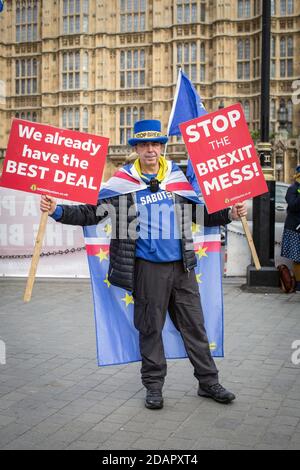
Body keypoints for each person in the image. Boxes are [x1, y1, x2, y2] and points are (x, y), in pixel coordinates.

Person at [40, 119, 247, 409]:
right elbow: (91, 213)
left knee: (195, 327)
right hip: (147, 269)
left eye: (156, 144)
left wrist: (229, 215)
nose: (151, 150)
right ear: (136, 148)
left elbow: (201, 214)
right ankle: (153, 387)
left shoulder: (177, 179)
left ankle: (208, 382)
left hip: (183, 268)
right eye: (144, 144)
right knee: (150, 329)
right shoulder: (122, 184)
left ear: (162, 147)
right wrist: (57, 210)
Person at [281, 165, 300, 292]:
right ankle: (298, 284)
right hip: (295, 228)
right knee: (298, 258)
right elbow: (293, 205)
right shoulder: (293, 189)